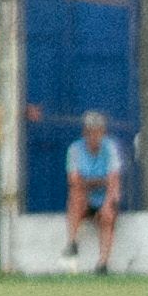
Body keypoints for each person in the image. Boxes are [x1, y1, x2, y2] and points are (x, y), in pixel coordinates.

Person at [64, 110, 124, 272]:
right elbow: (74, 181)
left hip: (104, 198)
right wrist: (100, 181)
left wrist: (106, 204)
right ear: (84, 132)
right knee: (76, 196)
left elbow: (113, 181)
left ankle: (103, 263)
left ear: (103, 132)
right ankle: (72, 242)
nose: (94, 136)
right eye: (90, 132)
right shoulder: (75, 150)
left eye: (97, 132)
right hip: (85, 199)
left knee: (108, 216)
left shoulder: (110, 149)